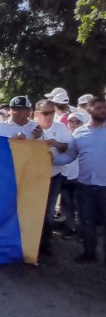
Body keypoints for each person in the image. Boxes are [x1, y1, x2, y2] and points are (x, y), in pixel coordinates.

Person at [52, 95, 106, 265]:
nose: (103, 111)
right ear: (89, 110)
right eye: (98, 108)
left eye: (105, 107)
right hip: (85, 187)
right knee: (86, 221)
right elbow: (70, 155)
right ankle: (89, 253)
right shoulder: (79, 133)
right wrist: (50, 159)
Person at [35, 99, 73, 258]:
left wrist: (56, 144)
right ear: (37, 114)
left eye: (52, 112)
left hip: (54, 175)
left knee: (49, 212)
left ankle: (46, 244)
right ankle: (33, 243)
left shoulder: (61, 127)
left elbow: (69, 147)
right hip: (35, 178)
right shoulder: (32, 129)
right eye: (45, 113)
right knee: (34, 210)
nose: (49, 116)